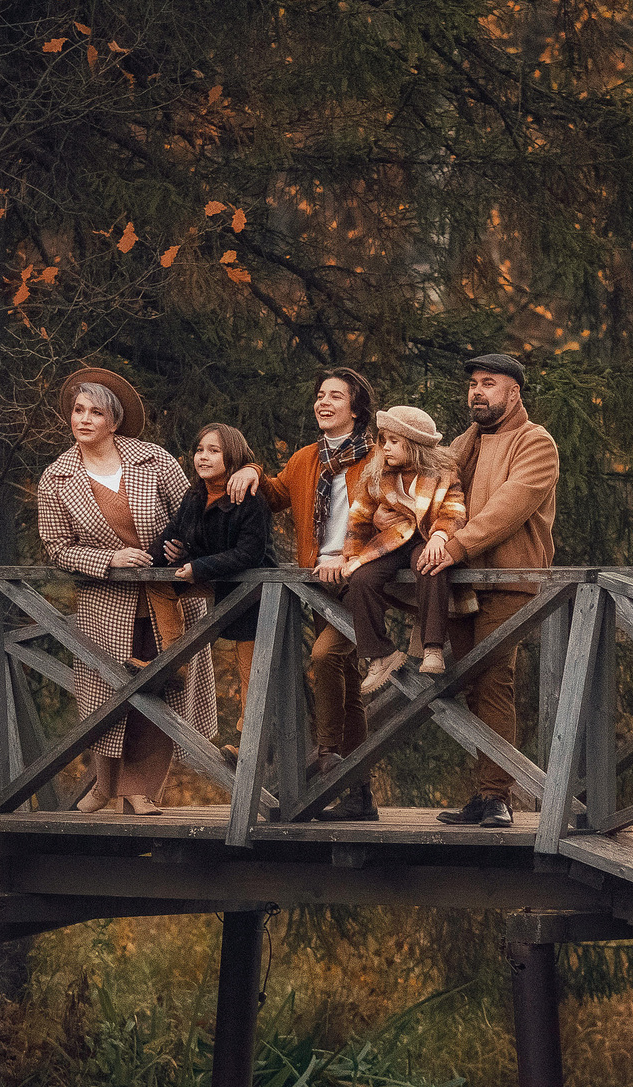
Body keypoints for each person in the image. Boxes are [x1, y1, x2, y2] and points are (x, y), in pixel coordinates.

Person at [36, 367, 217, 815]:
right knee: (106, 691)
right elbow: (57, 548)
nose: (84, 419)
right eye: (79, 410)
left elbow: (194, 513)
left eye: (96, 412)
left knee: (164, 687)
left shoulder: (152, 460)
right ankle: (103, 786)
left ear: (114, 421)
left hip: (168, 599)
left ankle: (139, 789)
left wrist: (182, 545)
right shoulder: (56, 478)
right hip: (105, 602)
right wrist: (108, 561)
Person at [221, 367, 380, 821]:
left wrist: (351, 557)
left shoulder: (378, 457)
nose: (323, 402)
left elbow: (392, 521)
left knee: (326, 657)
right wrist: (251, 469)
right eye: (319, 395)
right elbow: (273, 494)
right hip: (317, 584)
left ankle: (327, 757)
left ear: (356, 407)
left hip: (360, 579)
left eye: (335, 396)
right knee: (346, 685)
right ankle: (359, 793)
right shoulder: (306, 458)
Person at [427, 352, 559, 828]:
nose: (477, 391)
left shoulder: (535, 441)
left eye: (489, 383)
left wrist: (456, 544)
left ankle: (497, 796)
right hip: (461, 581)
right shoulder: (468, 442)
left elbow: (510, 506)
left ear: (513, 392)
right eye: (473, 385)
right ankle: (485, 794)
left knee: (493, 678)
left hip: (507, 580)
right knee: (465, 685)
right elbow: (427, 479)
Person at [327, 405, 469, 696]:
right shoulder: (378, 473)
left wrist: (441, 537)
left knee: (431, 565)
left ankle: (433, 647)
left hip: (427, 538)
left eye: (394, 441)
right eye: (384, 440)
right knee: (362, 579)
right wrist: (351, 555)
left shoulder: (442, 472)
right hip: (391, 541)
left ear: (414, 445)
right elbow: (359, 517)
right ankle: (380, 653)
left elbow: (454, 509)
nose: (386, 447)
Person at [156, 423, 274, 693]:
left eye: (213, 451)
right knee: (157, 584)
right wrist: (156, 555)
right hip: (217, 581)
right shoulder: (195, 495)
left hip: (253, 591)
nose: (203, 457)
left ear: (232, 456)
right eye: (199, 450)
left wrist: (198, 567)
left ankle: (249, 733)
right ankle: (175, 664)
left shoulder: (250, 498)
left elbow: (250, 553)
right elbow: (172, 533)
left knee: (251, 681)